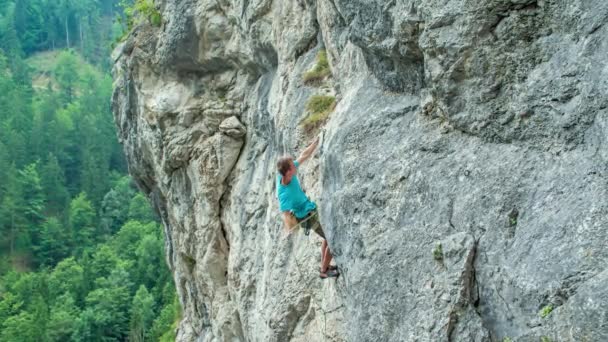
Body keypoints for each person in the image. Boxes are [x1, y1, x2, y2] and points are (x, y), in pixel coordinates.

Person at [276, 137, 339, 279]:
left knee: (326, 236)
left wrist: (315, 142)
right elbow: (285, 214)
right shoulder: (284, 194)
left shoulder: (284, 174)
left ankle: (325, 265)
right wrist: (288, 230)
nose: (295, 167)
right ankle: (324, 271)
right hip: (305, 216)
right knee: (330, 238)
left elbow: (303, 156)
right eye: (293, 166)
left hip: (309, 209)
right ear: (287, 172)